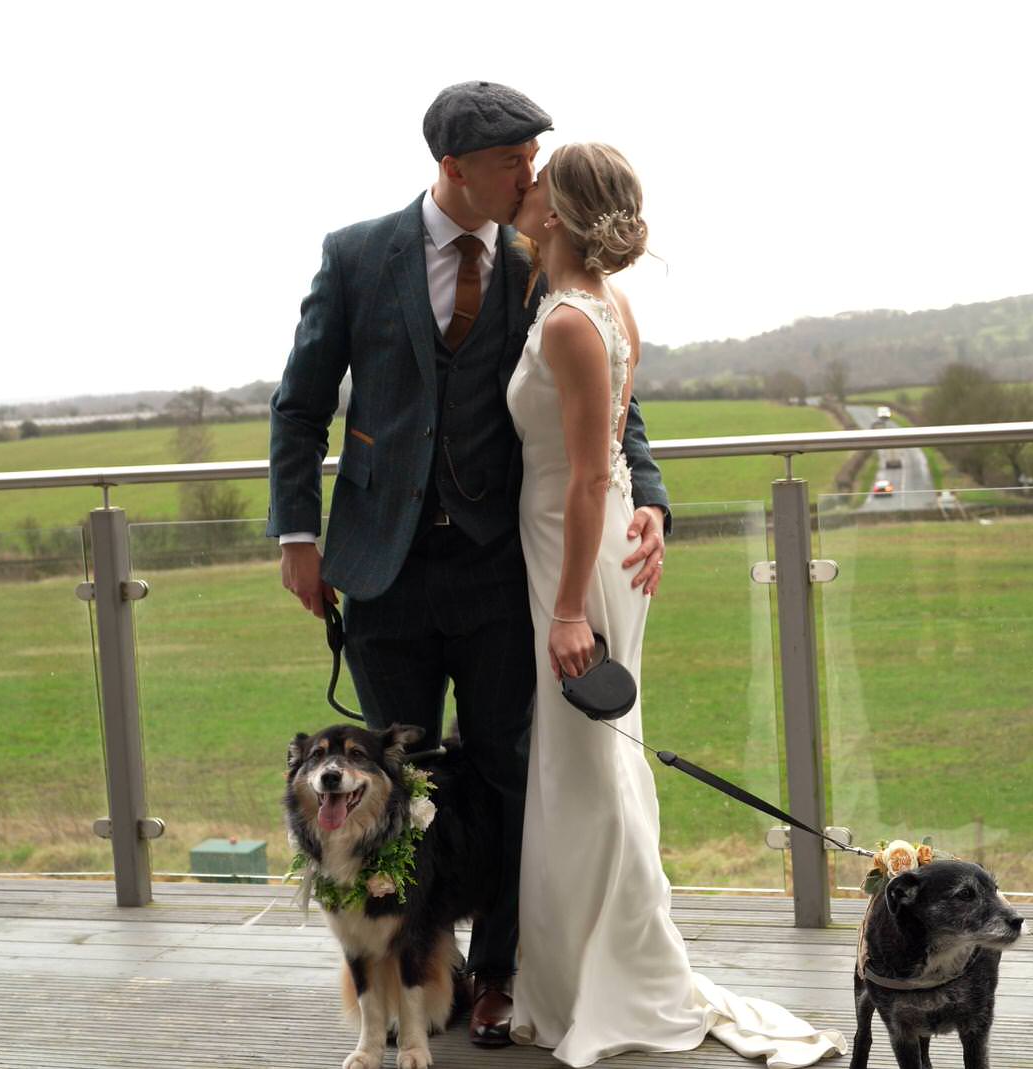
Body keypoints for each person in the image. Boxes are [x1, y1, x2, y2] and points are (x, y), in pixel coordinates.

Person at [266, 82, 671, 1047]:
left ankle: (494, 975)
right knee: (394, 785)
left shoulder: (544, 259)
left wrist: (647, 490)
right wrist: (298, 536)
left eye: (536, 158)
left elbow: (611, 395)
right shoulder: (359, 255)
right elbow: (299, 403)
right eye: (511, 162)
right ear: (453, 168)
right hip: (384, 570)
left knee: (506, 775)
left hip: (502, 573)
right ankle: (400, 982)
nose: (532, 176)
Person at [505, 143, 847, 1066]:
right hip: (588, 535)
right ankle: (582, 969)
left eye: (539, 182)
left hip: (576, 548)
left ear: (562, 211)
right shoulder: (601, 306)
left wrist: (570, 610)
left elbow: (584, 478)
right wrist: (638, 506)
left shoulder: (577, 321)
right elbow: (608, 458)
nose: (524, 188)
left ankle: (617, 976)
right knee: (587, 765)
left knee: (588, 764)